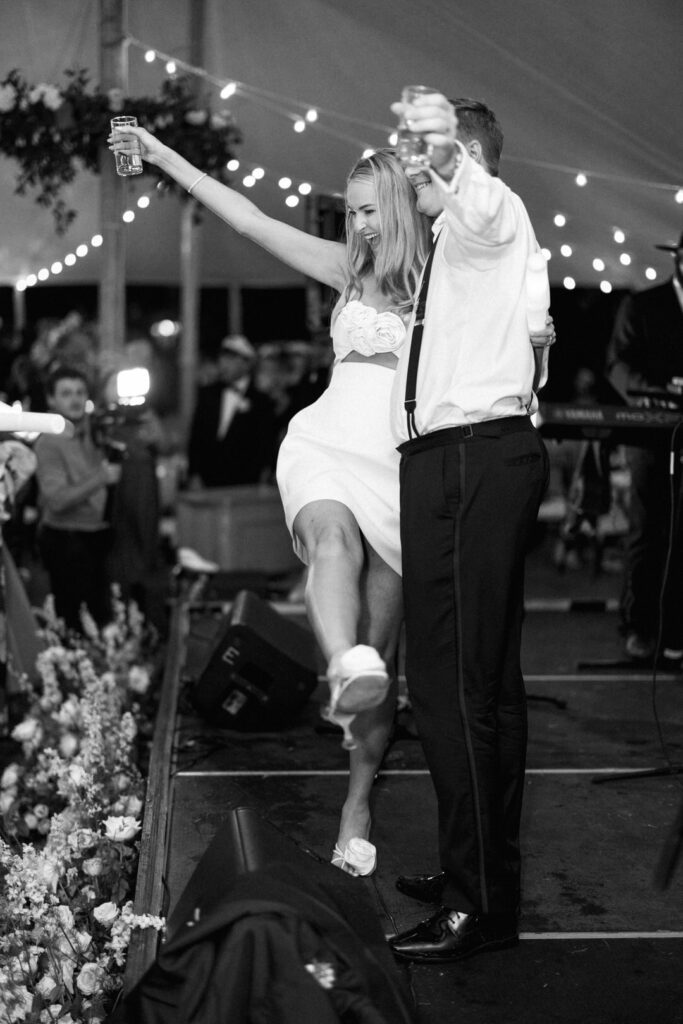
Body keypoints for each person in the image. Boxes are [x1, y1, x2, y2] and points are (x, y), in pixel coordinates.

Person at [108, 124, 432, 877]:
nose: (357, 225)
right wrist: (161, 157)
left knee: (384, 662)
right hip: (327, 443)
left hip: (400, 466)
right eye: (349, 213)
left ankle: (358, 797)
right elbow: (249, 217)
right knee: (329, 547)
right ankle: (339, 656)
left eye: (368, 210)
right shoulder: (343, 273)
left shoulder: (443, 279)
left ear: (398, 205)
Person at [384, 93, 550, 963]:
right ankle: (484, 875)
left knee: (450, 684)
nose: (412, 168)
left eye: (427, 157)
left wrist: (442, 149)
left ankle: (475, 900)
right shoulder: (462, 246)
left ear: (466, 156)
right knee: (485, 687)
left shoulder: (488, 214)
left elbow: (478, 194)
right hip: (473, 460)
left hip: (466, 462)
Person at [604, 229, 683, 663]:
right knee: (647, 530)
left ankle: (674, 631)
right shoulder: (643, 304)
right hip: (649, 434)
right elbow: (618, 364)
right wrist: (660, 391)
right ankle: (639, 627)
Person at [34, 366, 121, 630]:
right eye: (66, 393)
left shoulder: (93, 431)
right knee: (74, 623)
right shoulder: (48, 442)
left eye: (80, 392)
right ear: (51, 400)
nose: (75, 399)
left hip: (98, 536)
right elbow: (56, 500)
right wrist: (100, 479)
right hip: (67, 540)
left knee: (103, 617)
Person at [186, 334, 278, 489]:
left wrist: (265, 474)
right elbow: (196, 436)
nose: (223, 364)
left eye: (230, 359)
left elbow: (266, 443)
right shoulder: (208, 394)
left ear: (246, 363)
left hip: (245, 483)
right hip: (209, 481)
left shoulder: (261, 401)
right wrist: (194, 473)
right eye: (222, 358)